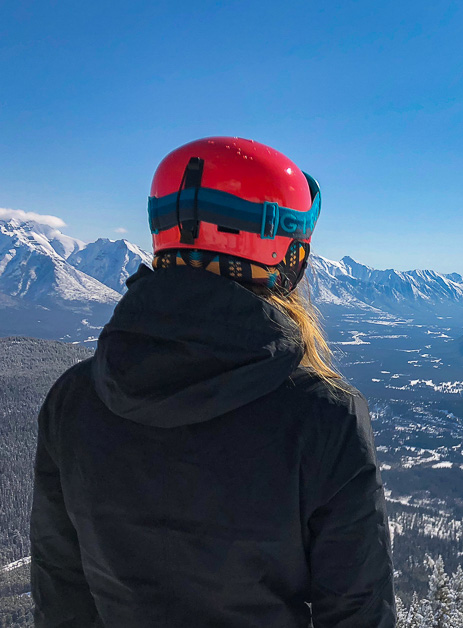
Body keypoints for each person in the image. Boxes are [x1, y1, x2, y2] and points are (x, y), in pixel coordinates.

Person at [29, 137, 396, 627]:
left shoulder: (74, 398)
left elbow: (62, 594)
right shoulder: (324, 417)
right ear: (285, 254)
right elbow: (357, 613)